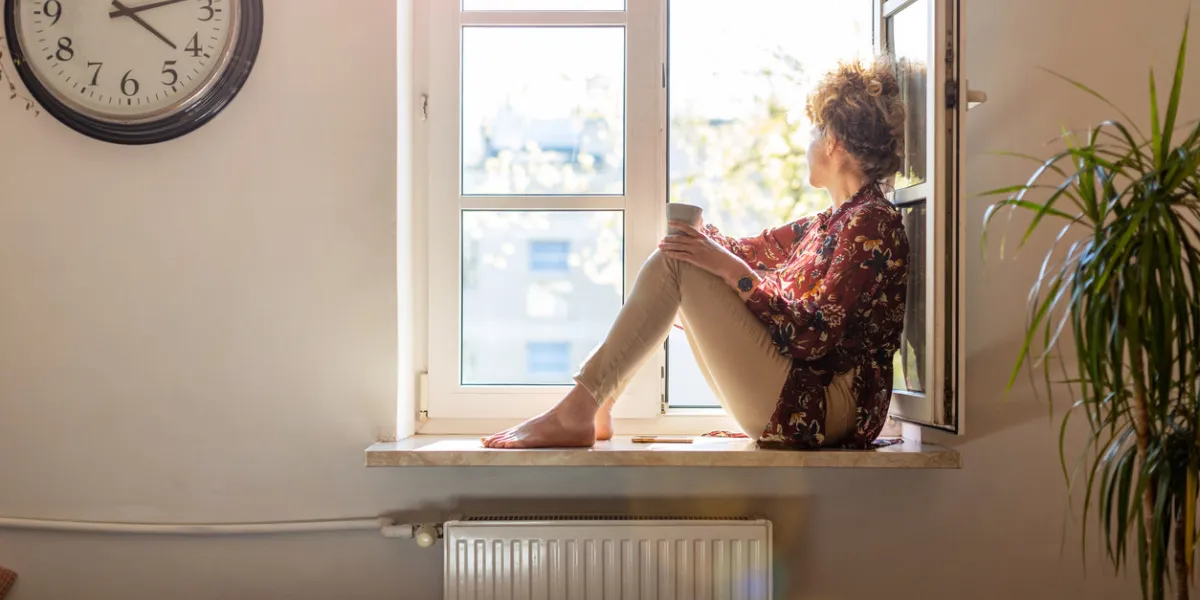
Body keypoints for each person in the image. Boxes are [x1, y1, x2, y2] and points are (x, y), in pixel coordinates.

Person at [483, 56, 911, 450]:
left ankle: (581, 408)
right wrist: (695, 240)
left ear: (834, 141)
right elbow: (740, 251)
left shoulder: (870, 223)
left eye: (814, 131)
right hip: (804, 398)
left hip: (826, 408)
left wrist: (727, 270)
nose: (809, 144)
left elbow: (813, 334)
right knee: (682, 260)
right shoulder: (828, 223)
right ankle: (596, 405)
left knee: (678, 264)